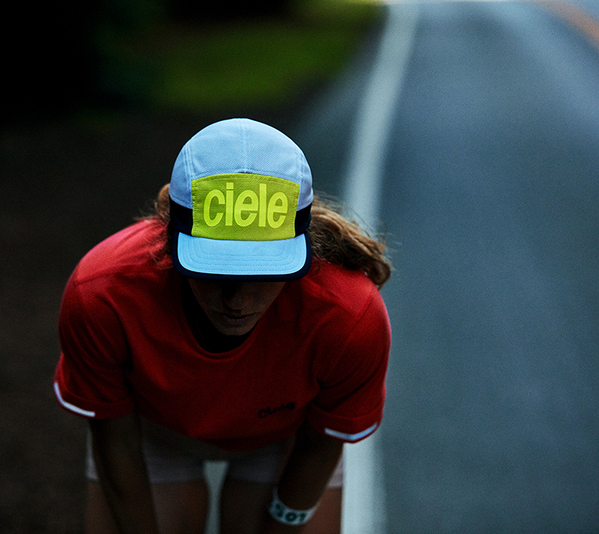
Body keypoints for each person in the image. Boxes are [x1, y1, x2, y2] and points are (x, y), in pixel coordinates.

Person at [53, 118, 392, 534]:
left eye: (264, 273)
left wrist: (283, 523)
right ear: (169, 238)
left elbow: (322, 443)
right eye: (215, 271)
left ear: (301, 247)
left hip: (287, 442)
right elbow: (115, 437)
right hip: (153, 433)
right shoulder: (102, 295)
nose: (237, 301)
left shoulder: (350, 315)